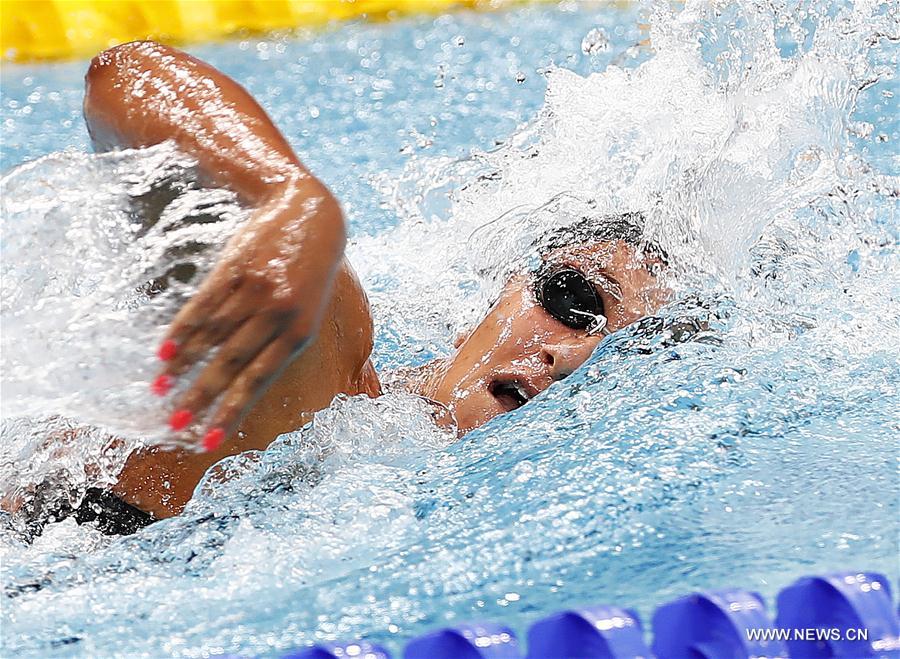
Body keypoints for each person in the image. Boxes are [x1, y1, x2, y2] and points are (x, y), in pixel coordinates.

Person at [24, 40, 669, 532]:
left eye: (623, 359)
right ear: (496, 292)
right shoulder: (332, 375)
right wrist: (291, 201)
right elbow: (125, 79)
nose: (576, 358)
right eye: (575, 302)